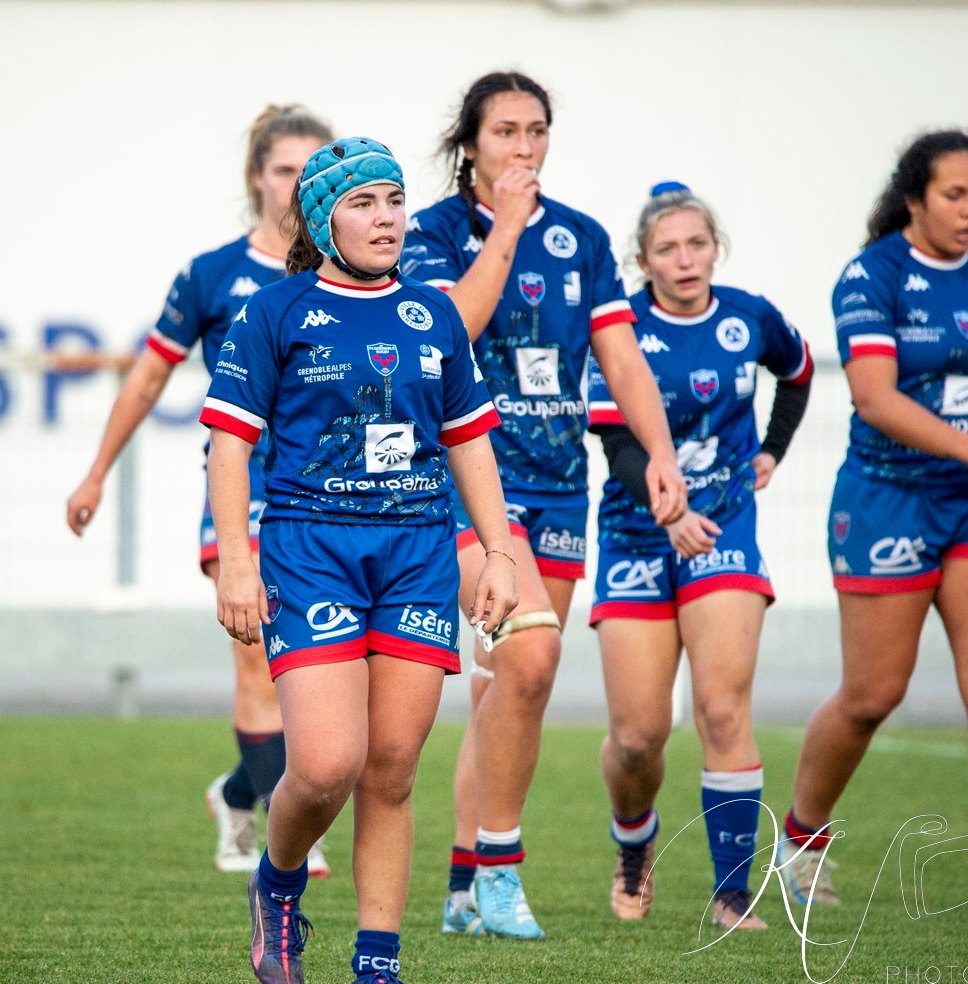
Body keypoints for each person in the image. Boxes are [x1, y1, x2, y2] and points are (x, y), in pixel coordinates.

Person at [203, 136, 518, 984]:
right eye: (362, 204)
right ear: (321, 219)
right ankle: (277, 885)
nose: (386, 219)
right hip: (311, 552)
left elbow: (470, 441)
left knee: (390, 769)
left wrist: (497, 552)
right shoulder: (276, 312)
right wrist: (238, 560)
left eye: (393, 200)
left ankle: (377, 962)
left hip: (416, 553)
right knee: (327, 762)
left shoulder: (435, 313)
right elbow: (228, 447)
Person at [404, 70, 685, 939]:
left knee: (503, 687)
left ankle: (460, 885)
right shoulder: (432, 234)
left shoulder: (585, 240)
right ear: (470, 146)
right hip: (464, 480)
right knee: (528, 661)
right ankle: (500, 870)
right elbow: (456, 329)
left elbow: (623, 358)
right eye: (505, 133)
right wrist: (508, 229)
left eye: (536, 132)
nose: (523, 148)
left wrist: (662, 455)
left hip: (561, 481)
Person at [776, 130, 968, 918]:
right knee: (874, 693)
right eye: (955, 194)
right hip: (888, 498)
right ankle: (800, 842)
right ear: (915, 199)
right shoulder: (871, 278)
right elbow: (875, 396)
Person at [65, 105, 333, 876]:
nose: (297, 184)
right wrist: (94, 474)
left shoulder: (352, 274)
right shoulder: (213, 275)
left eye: (312, 170)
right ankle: (288, 835)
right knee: (257, 661)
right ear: (257, 177)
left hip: (336, 501)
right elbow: (149, 375)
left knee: (326, 680)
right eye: (284, 169)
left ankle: (236, 795)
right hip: (243, 492)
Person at [586, 182, 813, 931]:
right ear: (642, 260)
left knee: (722, 707)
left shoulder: (748, 316)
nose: (685, 260)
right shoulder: (619, 325)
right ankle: (633, 841)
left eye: (697, 244)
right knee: (638, 736)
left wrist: (773, 449)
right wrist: (666, 508)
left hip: (724, 531)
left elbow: (800, 370)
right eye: (667, 249)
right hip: (635, 531)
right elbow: (616, 440)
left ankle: (731, 895)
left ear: (716, 247)